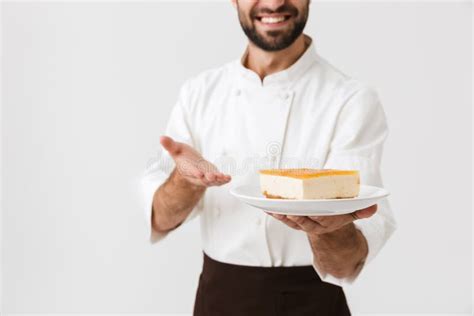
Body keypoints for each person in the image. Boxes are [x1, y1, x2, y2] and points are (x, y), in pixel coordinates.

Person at [141, 0, 397, 315]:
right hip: (219, 298)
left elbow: (345, 265)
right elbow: (160, 219)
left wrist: (327, 227)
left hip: (312, 303)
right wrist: (186, 181)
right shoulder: (199, 94)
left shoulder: (351, 100)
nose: (274, 2)